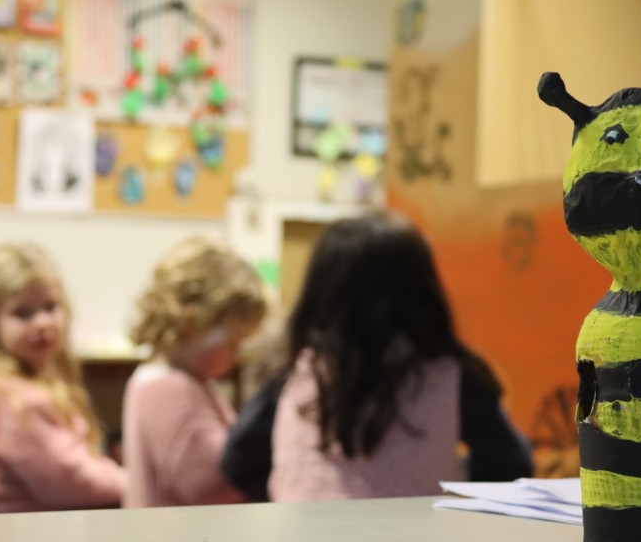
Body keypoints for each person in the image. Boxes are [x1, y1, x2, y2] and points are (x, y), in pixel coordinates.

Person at [222, 211, 533, 502]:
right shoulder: (449, 375)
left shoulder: (298, 370)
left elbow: (239, 460)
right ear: (422, 290)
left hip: (300, 537)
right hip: (417, 540)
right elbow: (510, 463)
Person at [0, 243, 124, 513]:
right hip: (34, 531)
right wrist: (133, 482)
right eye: (23, 313)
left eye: (50, 307)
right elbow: (74, 482)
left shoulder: (23, 384)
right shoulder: (14, 401)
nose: (42, 323)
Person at [123, 236, 266, 507]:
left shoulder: (169, 380)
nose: (236, 357)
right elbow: (211, 484)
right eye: (232, 343)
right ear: (191, 325)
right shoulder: (171, 389)